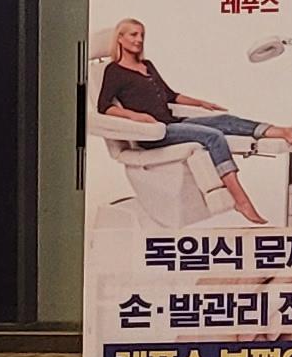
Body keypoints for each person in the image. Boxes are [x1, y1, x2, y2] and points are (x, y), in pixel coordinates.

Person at [95, 15, 280, 221]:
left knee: (226, 120)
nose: (139, 39)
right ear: (120, 39)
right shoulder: (114, 71)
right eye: (133, 35)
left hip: (172, 124)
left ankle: (283, 132)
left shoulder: (147, 65)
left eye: (142, 35)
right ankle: (241, 201)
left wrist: (201, 103)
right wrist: (137, 116)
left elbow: (170, 95)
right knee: (213, 136)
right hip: (154, 134)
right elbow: (104, 106)